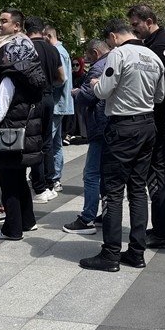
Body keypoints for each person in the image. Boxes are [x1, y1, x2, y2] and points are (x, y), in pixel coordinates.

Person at [79, 19, 164, 272]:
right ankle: (136, 252)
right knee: (138, 189)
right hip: (147, 124)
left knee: (113, 191)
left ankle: (110, 253)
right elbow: (159, 96)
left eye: (108, 41)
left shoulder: (118, 54)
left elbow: (103, 91)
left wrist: (95, 84)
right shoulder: (153, 56)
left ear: (114, 37)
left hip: (123, 126)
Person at [0, 11, 48, 240]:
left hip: (9, 134)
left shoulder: (9, 78)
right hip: (26, 133)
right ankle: (28, 221)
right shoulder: (31, 75)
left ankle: (12, 230)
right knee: (20, 178)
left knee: (9, 182)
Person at [127, 4, 165, 249]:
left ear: (148, 21)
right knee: (162, 169)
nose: (133, 29)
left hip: (164, 114)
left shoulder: (160, 44)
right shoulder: (155, 42)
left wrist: (150, 91)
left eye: (135, 24)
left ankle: (162, 232)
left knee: (157, 170)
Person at [63, 39, 111, 235]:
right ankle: (108, 214)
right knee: (108, 174)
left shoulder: (97, 67)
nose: (87, 60)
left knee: (91, 174)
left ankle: (88, 217)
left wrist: (76, 93)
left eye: (88, 56)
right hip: (113, 125)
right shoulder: (115, 61)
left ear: (95, 53)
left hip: (99, 124)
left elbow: (88, 95)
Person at [24, 17, 65, 202]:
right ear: (42, 31)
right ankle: (49, 183)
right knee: (47, 141)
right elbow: (62, 78)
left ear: (26, 31)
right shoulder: (52, 49)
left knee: (33, 142)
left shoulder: (26, 48)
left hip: (32, 98)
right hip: (48, 97)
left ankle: (38, 185)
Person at [43, 25, 74, 191]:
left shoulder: (58, 52)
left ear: (48, 36)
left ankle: (51, 178)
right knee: (56, 143)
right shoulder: (63, 51)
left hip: (57, 103)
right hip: (61, 103)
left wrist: (47, 87)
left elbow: (61, 78)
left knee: (49, 141)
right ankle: (55, 178)